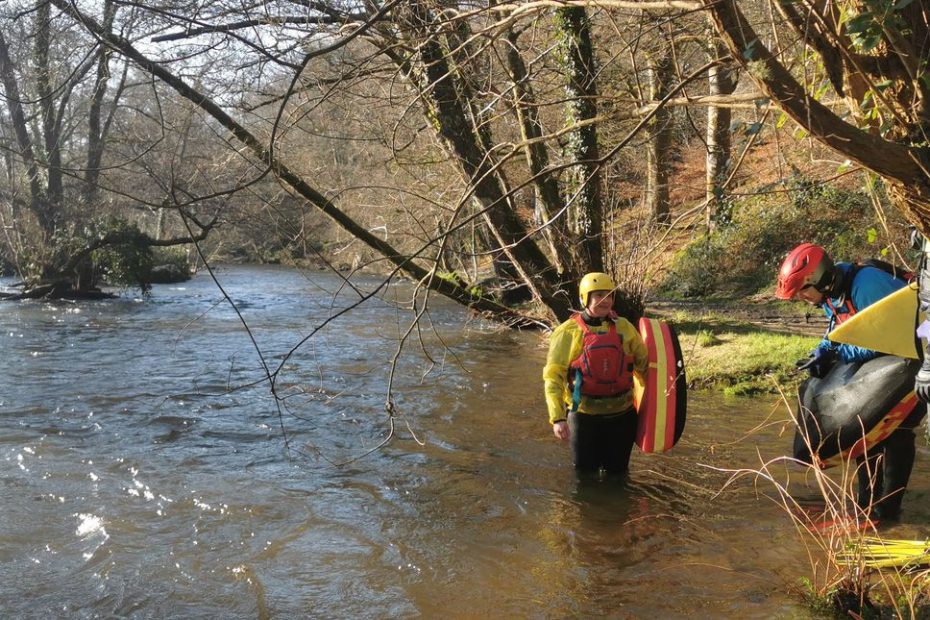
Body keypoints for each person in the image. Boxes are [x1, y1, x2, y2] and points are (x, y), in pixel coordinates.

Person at [776, 243, 925, 521]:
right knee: (866, 433)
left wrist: (836, 350)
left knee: (896, 433)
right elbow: (841, 330)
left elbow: (888, 339)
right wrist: (823, 349)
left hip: (915, 360)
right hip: (894, 361)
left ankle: (887, 513)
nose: (802, 298)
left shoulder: (867, 285)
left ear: (819, 278)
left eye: (803, 291)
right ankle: (866, 508)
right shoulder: (831, 294)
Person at [542, 272, 649, 476]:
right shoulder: (567, 332)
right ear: (585, 298)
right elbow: (553, 377)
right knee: (585, 478)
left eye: (609, 295)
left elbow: (644, 365)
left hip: (623, 416)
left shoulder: (624, 327)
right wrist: (557, 418)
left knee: (618, 476)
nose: (605, 300)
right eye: (598, 295)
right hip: (583, 417)